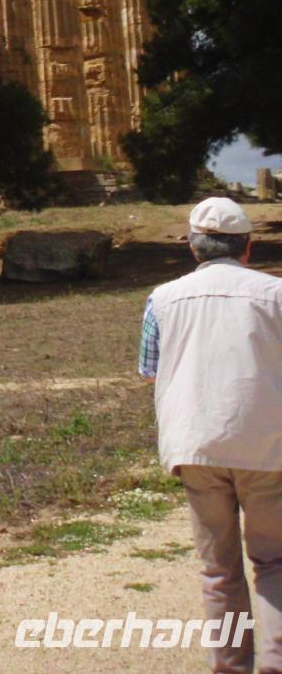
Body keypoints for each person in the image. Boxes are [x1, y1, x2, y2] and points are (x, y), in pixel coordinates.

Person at [140, 196, 282, 673]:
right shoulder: (276, 294)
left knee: (218, 569)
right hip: (268, 443)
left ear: (193, 247)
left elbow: (149, 369)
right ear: (248, 247)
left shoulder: (163, 298)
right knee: (275, 561)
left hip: (195, 443)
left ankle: (230, 664)